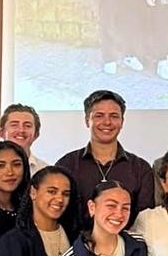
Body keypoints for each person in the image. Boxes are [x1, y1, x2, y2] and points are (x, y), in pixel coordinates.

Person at [55, 90, 155, 225]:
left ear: (122, 121)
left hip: (125, 238)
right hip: (75, 238)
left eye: (114, 116)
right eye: (99, 116)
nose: (107, 122)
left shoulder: (140, 168)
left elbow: (143, 221)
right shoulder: (67, 165)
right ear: (87, 120)